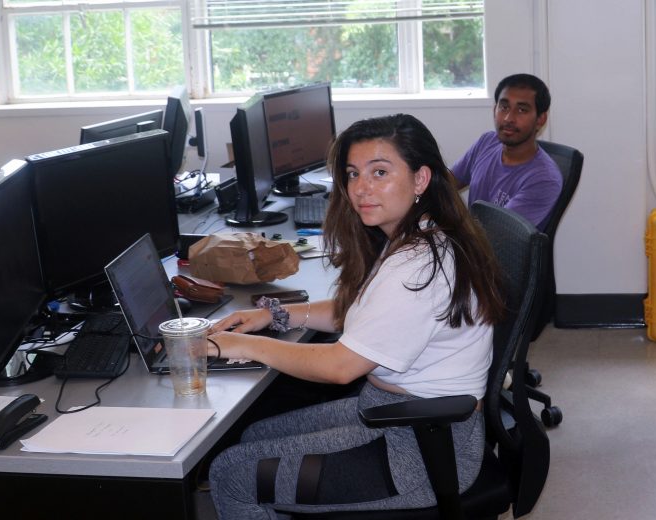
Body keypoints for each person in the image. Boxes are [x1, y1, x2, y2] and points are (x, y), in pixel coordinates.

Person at [207, 113, 505, 518]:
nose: (361, 189)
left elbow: (340, 367)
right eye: (352, 174)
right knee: (254, 434)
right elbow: (360, 314)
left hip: (422, 451)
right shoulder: (416, 231)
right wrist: (274, 316)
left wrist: (242, 345)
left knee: (231, 475)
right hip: (394, 411)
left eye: (379, 172)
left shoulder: (418, 264)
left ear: (420, 179)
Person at [452, 73, 562, 231]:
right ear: (494, 110)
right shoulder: (487, 142)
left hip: (493, 252)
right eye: (504, 107)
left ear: (540, 119)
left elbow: (497, 233)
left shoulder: (545, 179)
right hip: (470, 243)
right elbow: (447, 182)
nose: (509, 118)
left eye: (522, 110)